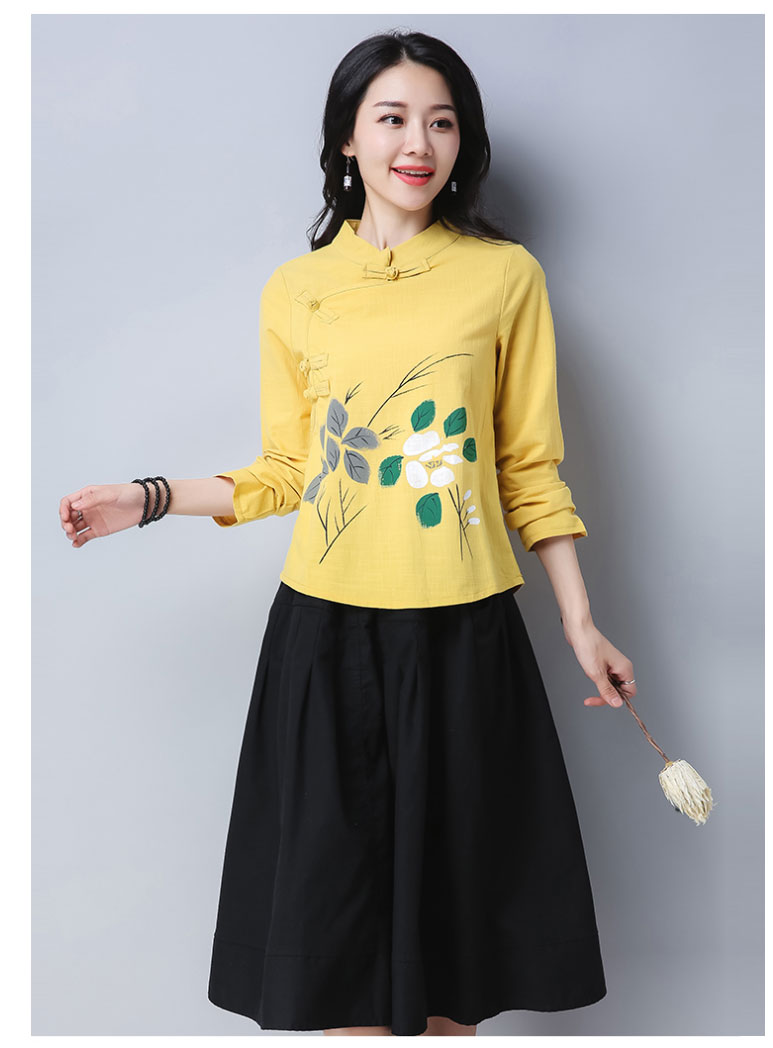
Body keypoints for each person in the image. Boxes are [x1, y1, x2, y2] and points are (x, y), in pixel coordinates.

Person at [59, 30, 636, 1038]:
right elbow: (288, 470)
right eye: (394, 117)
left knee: (453, 967)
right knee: (338, 963)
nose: (420, 143)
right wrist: (146, 498)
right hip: (325, 641)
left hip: (465, 639)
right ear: (346, 139)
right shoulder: (299, 290)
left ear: (463, 144)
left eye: (442, 122)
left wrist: (581, 625)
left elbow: (528, 469)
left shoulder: (504, 278)